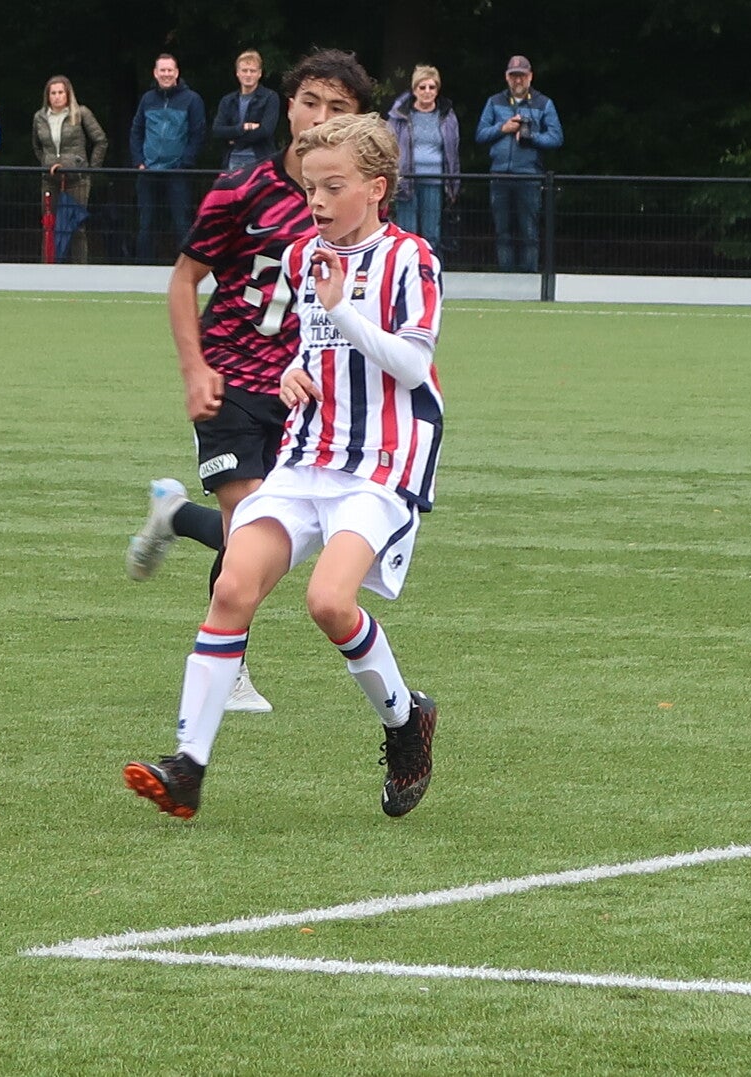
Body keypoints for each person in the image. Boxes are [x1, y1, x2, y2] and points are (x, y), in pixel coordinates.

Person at [123, 112, 444, 823]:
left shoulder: (411, 258)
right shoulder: (302, 256)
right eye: (309, 188)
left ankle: (405, 721)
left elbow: (413, 364)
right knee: (233, 585)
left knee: (329, 601)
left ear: (376, 188)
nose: (317, 202)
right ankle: (188, 767)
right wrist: (294, 372)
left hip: (380, 463)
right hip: (306, 456)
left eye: (333, 187)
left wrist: (343, 311)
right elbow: (311, 345)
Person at [125, 48, 376, 715]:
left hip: (303, 396)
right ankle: (228, 667)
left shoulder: (356, 205)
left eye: (339, 108)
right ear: (286, 107)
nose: (320, 118)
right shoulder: (242, 189)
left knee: (276, 537)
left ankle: (175, 515)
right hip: (231, 379)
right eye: (310, 102)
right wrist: (195, 368)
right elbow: (184, 280)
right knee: (252, 523)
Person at [476, 55, 562, 273]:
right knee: (502, 231)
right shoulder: (494, 101)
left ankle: (530, 279)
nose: (518, 80)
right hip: (499, 175)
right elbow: (480, 134)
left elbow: (556, 138)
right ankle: (506, 278)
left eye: (522, 76)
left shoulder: (544, 103)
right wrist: (502, 128)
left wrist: (531, 137)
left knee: (529, 231)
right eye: (514, 76)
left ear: (530, 76)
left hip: (529, 176)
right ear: (507, 77)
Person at [131, 54, 207, 263]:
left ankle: (186, 268)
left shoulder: (192, 99)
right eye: (162, 70)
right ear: (155, 73)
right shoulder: (147, 99)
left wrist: (185, 164)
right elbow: (136, 131)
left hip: (177, 172)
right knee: (146, 223)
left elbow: (198, 134)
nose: (166, 74)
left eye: (169, 70)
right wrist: (139, 161)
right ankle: (142, 268)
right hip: (148, 171)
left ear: (177, 72)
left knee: (181, 223)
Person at [30, 75, 106, 263]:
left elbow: (100, 140)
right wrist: (46, 162)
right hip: (50, 178)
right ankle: (48, 268)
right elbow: (37, 146)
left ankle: (79, 269)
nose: (57, 97)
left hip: (77, 179)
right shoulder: (40, 117)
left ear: (68, 94)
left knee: (76, 226)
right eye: (53, 93)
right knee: (49, 225)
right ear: (48, 96)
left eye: (60, 93)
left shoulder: (80, 113)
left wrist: (90, 169)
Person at [387, 65, 460, 251]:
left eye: (432, 87)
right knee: (406, 232)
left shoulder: (447, 115)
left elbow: (453, 151)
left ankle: (429, 266)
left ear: (437, 90)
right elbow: (388, 145)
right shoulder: (399, 115)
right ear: (414, 90)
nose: (427, 91)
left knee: (431, 233)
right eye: (422, 87)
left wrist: (453, 182)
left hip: (435, 180)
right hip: (406, 180)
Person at [210, 50, 278, 173]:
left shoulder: (270, 97)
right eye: (244, 70)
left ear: (260, 73)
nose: (248, 74)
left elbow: (266, 131)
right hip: (232, 160)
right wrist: (242, 128)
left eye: (252, 71)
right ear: (237, 73)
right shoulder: (228, 100)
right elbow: (217, 130)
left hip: (260, 160)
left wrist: (235, 139)